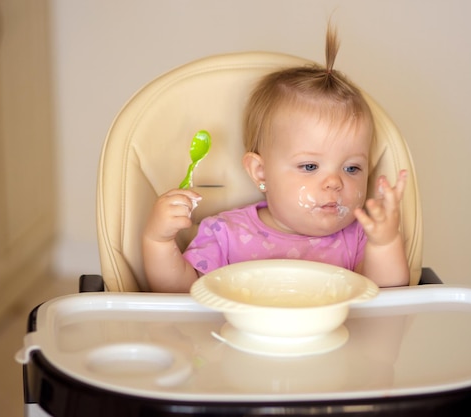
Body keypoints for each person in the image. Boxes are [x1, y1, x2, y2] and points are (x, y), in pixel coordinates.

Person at [142, 25, 409, 292]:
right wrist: (159, 242)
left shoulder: (360, 237)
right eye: (310, 166)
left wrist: (385, 243)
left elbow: (388, 299)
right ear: (261, 172)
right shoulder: (225, 234)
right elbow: (181, 295)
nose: (334, 182)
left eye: (352, 168)